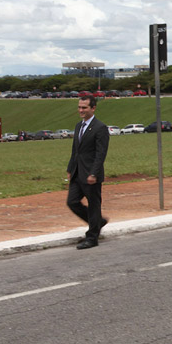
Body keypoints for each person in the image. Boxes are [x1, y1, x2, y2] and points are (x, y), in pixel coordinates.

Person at [66, 95, 109, 249]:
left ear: (93, 108)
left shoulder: (100, 128)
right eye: (79, 107)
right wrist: (70, 169)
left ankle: (92, 238)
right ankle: (97, 223)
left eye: (84, 107)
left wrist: (94, 173)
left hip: (91, 174)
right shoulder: (79, 126)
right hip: (77, 172)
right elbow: (75, 150)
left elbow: (101, 154)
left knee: (93, 205)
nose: (81, 110)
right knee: (72, 202)